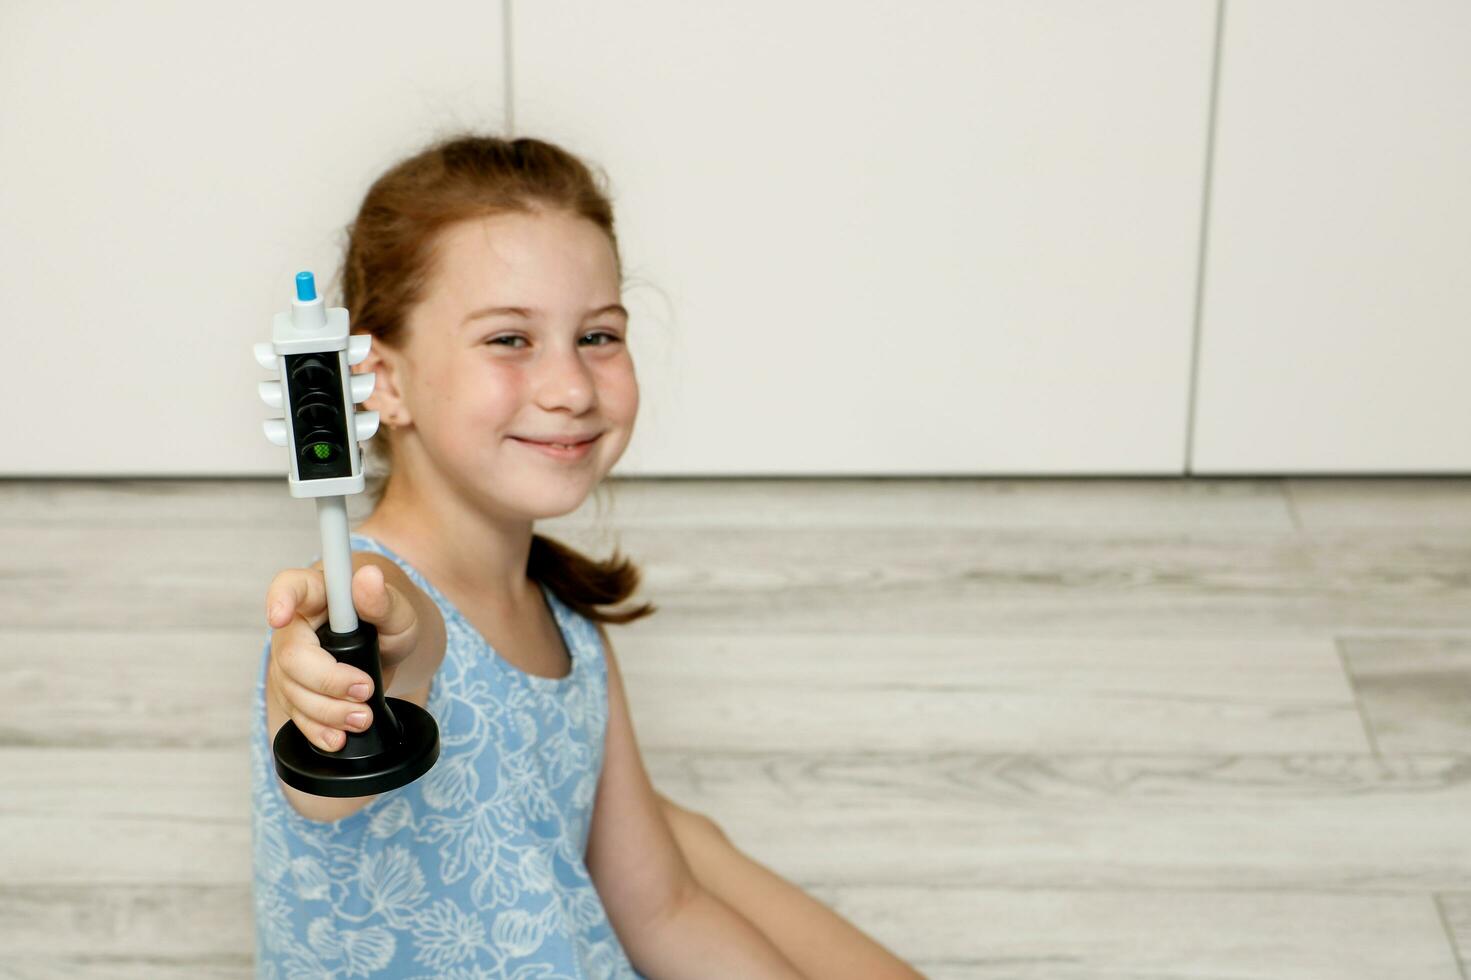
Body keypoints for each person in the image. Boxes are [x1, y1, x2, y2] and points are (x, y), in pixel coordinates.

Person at [252, 132, 923, 979]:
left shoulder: (567, 626)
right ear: (380, 380)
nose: (570, 388)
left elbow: (664, 907)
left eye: (598, 337)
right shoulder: (361, 606)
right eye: (509, 340)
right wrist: (360, 663)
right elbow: (336, 758)